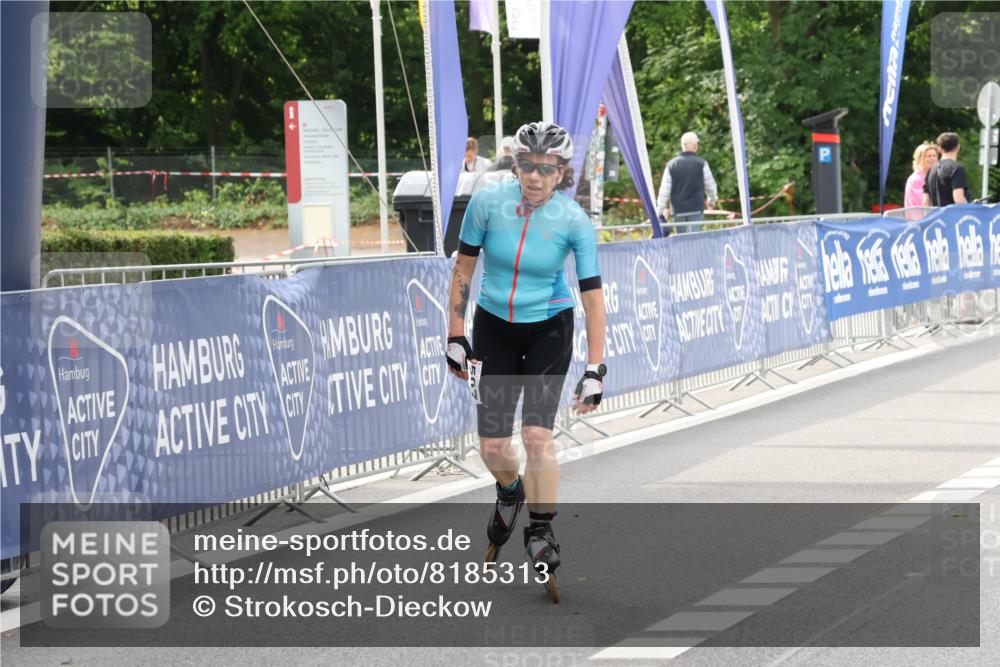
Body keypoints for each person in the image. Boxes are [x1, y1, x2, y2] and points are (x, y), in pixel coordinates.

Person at [445, 122, 607, 600]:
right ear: (514, 164)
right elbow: (463, 271)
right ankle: (511, 491)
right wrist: (456, 333)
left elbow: (593, 298)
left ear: (562, 172)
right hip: (493, 324)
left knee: (537, 434)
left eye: (546, 169)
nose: (534, 177)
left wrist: (595, 367)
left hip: (548, 328)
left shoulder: (573, 220)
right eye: (526, 166)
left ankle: (540, 529)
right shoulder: (487, 203)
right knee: (493, 448)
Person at [656, 131, 719, 234]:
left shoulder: (671, 165)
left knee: (681, 243)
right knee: (693, 241)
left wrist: (659, 211)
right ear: (695, 146)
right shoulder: (702, 163)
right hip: (696, 209)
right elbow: (710, 186)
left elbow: (664, 191)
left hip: (678, 211)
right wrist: (711, 201)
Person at [922, 132, 969, 207]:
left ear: (940, 149)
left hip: (936, 218)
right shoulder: (957, 168)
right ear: (958, 147)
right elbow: (958, 199)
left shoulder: (930, 170)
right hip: (953, 217)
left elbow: (925, 202)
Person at [904, 142, 939, 210]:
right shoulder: (916, 179)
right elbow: (924, 203)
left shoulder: (932, 176)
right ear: (920, 159)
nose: (933, 158)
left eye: (934, 156)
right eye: (929, 156)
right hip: (919, 219)